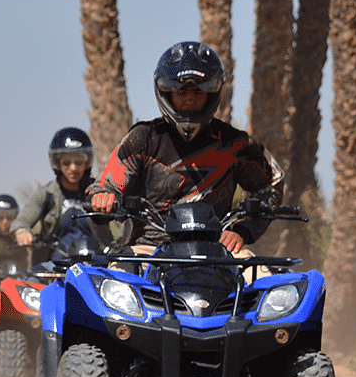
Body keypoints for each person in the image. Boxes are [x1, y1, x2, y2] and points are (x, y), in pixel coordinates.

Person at [89, 41, 284, 254]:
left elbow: (272, 181)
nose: (190, 98)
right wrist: (102, 198)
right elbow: (105, 186)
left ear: (211, 93)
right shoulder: (142, 139)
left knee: (262, 281)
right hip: (146, 251)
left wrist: (242, 231)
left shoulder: (234, 143)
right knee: (115, 283)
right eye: (181, 92)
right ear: (166, 93)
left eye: (198, 91)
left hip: (217, 253)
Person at [12, 127, 109, 260]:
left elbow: (124, 218)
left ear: (87, 162)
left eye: (78, 162)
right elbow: (22, 221)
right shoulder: (46, 194)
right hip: (55, 265)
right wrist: (22, 231)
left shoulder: (101, 190)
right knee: (30, 279)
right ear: (57, 163)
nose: (73, 167)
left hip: (97, 262)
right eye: (66, 162)